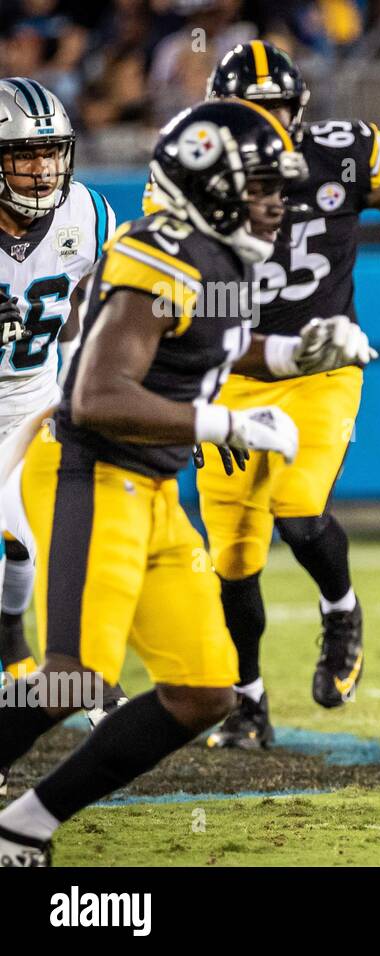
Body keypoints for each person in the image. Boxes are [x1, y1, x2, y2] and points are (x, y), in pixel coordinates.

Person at [0, 99, 376, 866]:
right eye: (264, 188)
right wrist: (224, 426)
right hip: (88, 471)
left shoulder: (218, 252)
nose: (281, 204)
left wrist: (299, 355)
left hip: (152, 489)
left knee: (207, 690)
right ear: (212, 187)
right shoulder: (160, 253)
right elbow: (97, 395)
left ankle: (25, 825)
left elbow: (220, 346)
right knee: (75, 680)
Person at [187, 42, 380, 749]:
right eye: (249, 113)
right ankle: (248, 702)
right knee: (232, 560)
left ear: (299, 113)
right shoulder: (192, 178)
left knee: (299, 511)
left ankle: (341, 611)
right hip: (229, 377)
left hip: (321, 372)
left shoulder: (347, 153)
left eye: (275, 111)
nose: (264, 127)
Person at [0, 77, 118, 796]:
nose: (42, 169)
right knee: (19, 541)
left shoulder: (88, 214)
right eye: (24, 155)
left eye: (51, 153)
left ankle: (58, 666)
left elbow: (105, 310)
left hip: (39, 402)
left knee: (51, 535)